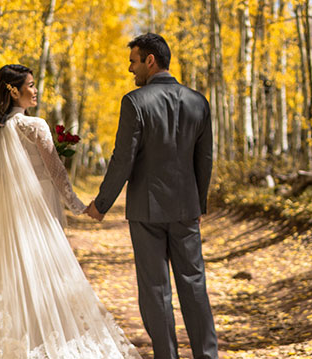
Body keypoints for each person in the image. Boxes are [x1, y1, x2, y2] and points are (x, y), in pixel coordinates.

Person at [0, 64, 141, 359]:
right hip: (41, 213)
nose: (35, 89)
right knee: (53, 273)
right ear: (13, 91)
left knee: (28, 276)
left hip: (17, 220)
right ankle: (55, 342)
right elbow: (57, 173)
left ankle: (33, 341)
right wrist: (81, 207)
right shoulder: (34, 126)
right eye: (29, 84)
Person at [85, 33, 218, 359]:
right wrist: (199, 203)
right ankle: (207, 355)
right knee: (194, 284)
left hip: (146, 211)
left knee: (156, 289)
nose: (131, 69)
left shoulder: (134, 102)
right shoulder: (198, 101)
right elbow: (205, 158)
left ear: (150, 60)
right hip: (186, 208)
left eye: (133, 61)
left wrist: (102, 204)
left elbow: (123, 159)